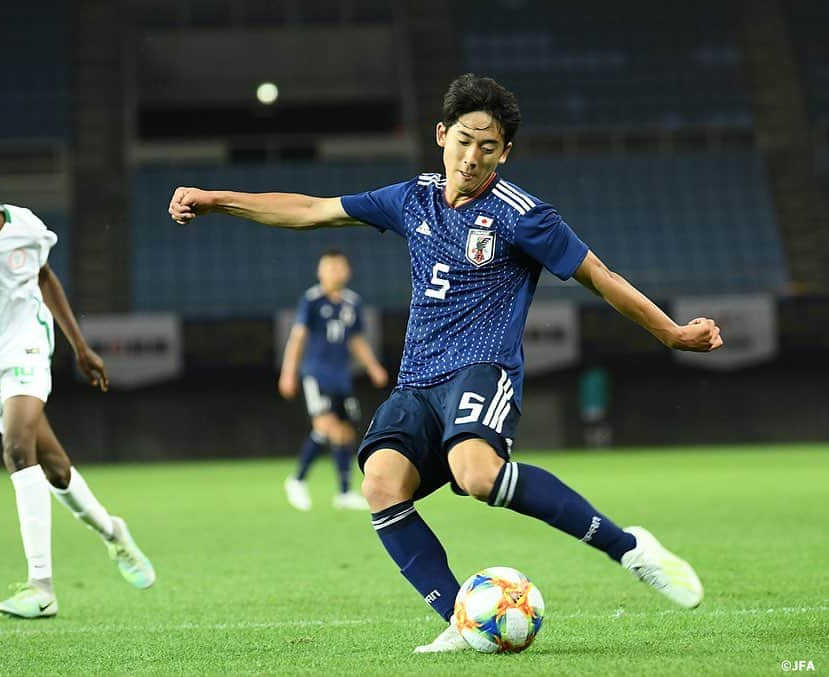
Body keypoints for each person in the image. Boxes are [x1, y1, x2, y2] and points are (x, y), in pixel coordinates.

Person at [168, 74, 722, 652]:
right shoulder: (413, 199)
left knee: (476, 475)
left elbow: (599, 276)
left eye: (487, 147)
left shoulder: (522, 215)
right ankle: (463, 620)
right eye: (463, 141)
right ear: (442, 135)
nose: (472, 157)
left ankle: (630, 548)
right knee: (381, 484)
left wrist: (672, 333)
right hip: (417, 382)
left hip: (482, 368)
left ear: (504, 152)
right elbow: (310, 209)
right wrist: (217, 200)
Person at [0, 154, 155, 619]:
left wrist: (80, 347)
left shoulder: (25, 226)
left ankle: (41, 587)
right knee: (54, 468)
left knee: (16, 449)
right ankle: (114, 532)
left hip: (27, 347)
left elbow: (45, 277)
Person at [279, 250, 388, 511]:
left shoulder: (352, 303)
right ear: (320, 272)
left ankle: (343, 493)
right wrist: (288, 372)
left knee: (345, 432)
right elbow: (298, 338)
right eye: (329, 267)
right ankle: (297, 480)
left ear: (347, 271)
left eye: (339, 267)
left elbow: (356, 339)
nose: (335, 272)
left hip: (342, 377)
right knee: (326, 425)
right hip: (316, 374)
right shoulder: (312, 300)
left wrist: (373, 367)